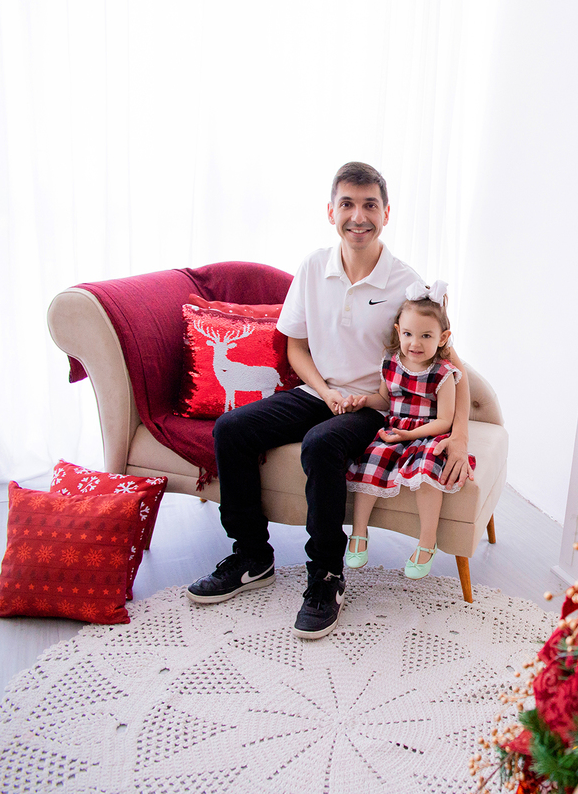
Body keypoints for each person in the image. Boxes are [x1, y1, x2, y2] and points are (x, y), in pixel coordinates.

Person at [185, 162, 473, 640]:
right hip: (319, 392)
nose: (358, 216)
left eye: (369, 205)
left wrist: (458, 435)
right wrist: (325, 391)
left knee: (321, 444)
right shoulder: (313, 267)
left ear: (386, 214)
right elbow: (296, 347)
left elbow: (453, 367)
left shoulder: (406, 283)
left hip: (375, 406)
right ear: (330, 211)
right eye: (347, 204)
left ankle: (326, 575)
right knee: (232, 429)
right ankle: (252, 556)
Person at [342, 281, 476, 579]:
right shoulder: (390, 362)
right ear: (398, 331)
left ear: (443, 338)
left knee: (427, 470)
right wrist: (361, 401)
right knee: (370, 460)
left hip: (428, 433)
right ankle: (359, 533)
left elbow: (445, 421)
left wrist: (411, 435)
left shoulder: (444, 373)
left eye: (426, 336)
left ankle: (427, 542)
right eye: (408, 334)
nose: (415, 343)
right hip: (395, 428)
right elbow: (384, 399)